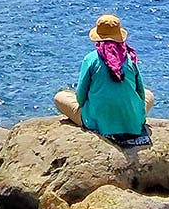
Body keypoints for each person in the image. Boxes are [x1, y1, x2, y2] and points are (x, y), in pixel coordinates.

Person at [54, 14, 155, 144]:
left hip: (97, 122)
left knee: (60, 96)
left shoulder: (90, 59)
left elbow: (80, 98)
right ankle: (130, 117)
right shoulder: (129, 59)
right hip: (133, 123)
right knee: (149, 95)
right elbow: (141, 93)